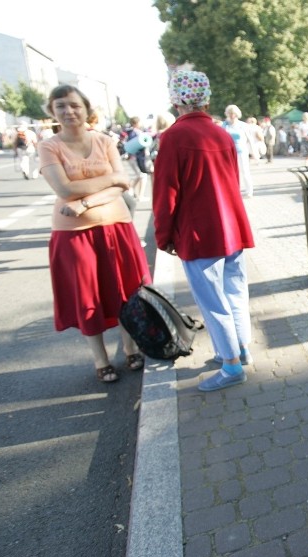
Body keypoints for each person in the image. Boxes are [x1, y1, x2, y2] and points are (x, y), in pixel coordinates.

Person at [38, 84, 151, 383]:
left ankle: (130, 348)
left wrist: (85, 201)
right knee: (87, 296)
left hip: (117, 227)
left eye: (74, 105)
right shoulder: (50, 146)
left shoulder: (104, 141)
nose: (69, 110)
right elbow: (63, 189)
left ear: (86, 109)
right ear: (52, 111)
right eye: (60, 105)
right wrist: (110, 179)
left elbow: (122, 184)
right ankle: (100, 360)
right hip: (74, 234)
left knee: (125, 292)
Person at [153, 70, 256, 392]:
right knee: (235, 293)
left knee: (213, 302)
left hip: (199, 234)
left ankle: (230, 364)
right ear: (207, 98)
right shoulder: (222, 134)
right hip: (231, 227)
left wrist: (163, 236)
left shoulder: (173, 137)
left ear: (174, 99)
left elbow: (165, 193)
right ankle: (240, 349)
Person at [222, 105, 254, 198]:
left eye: (233, 113)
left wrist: (253, 152)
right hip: (228, 152)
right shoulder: (224, 125)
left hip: (241, 151)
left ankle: (249, 190)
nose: (232, 115)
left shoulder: (243, 125)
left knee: (245, 171)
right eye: (230, 113)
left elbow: (250, 139)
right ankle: (234, 191)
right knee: (230, 172)